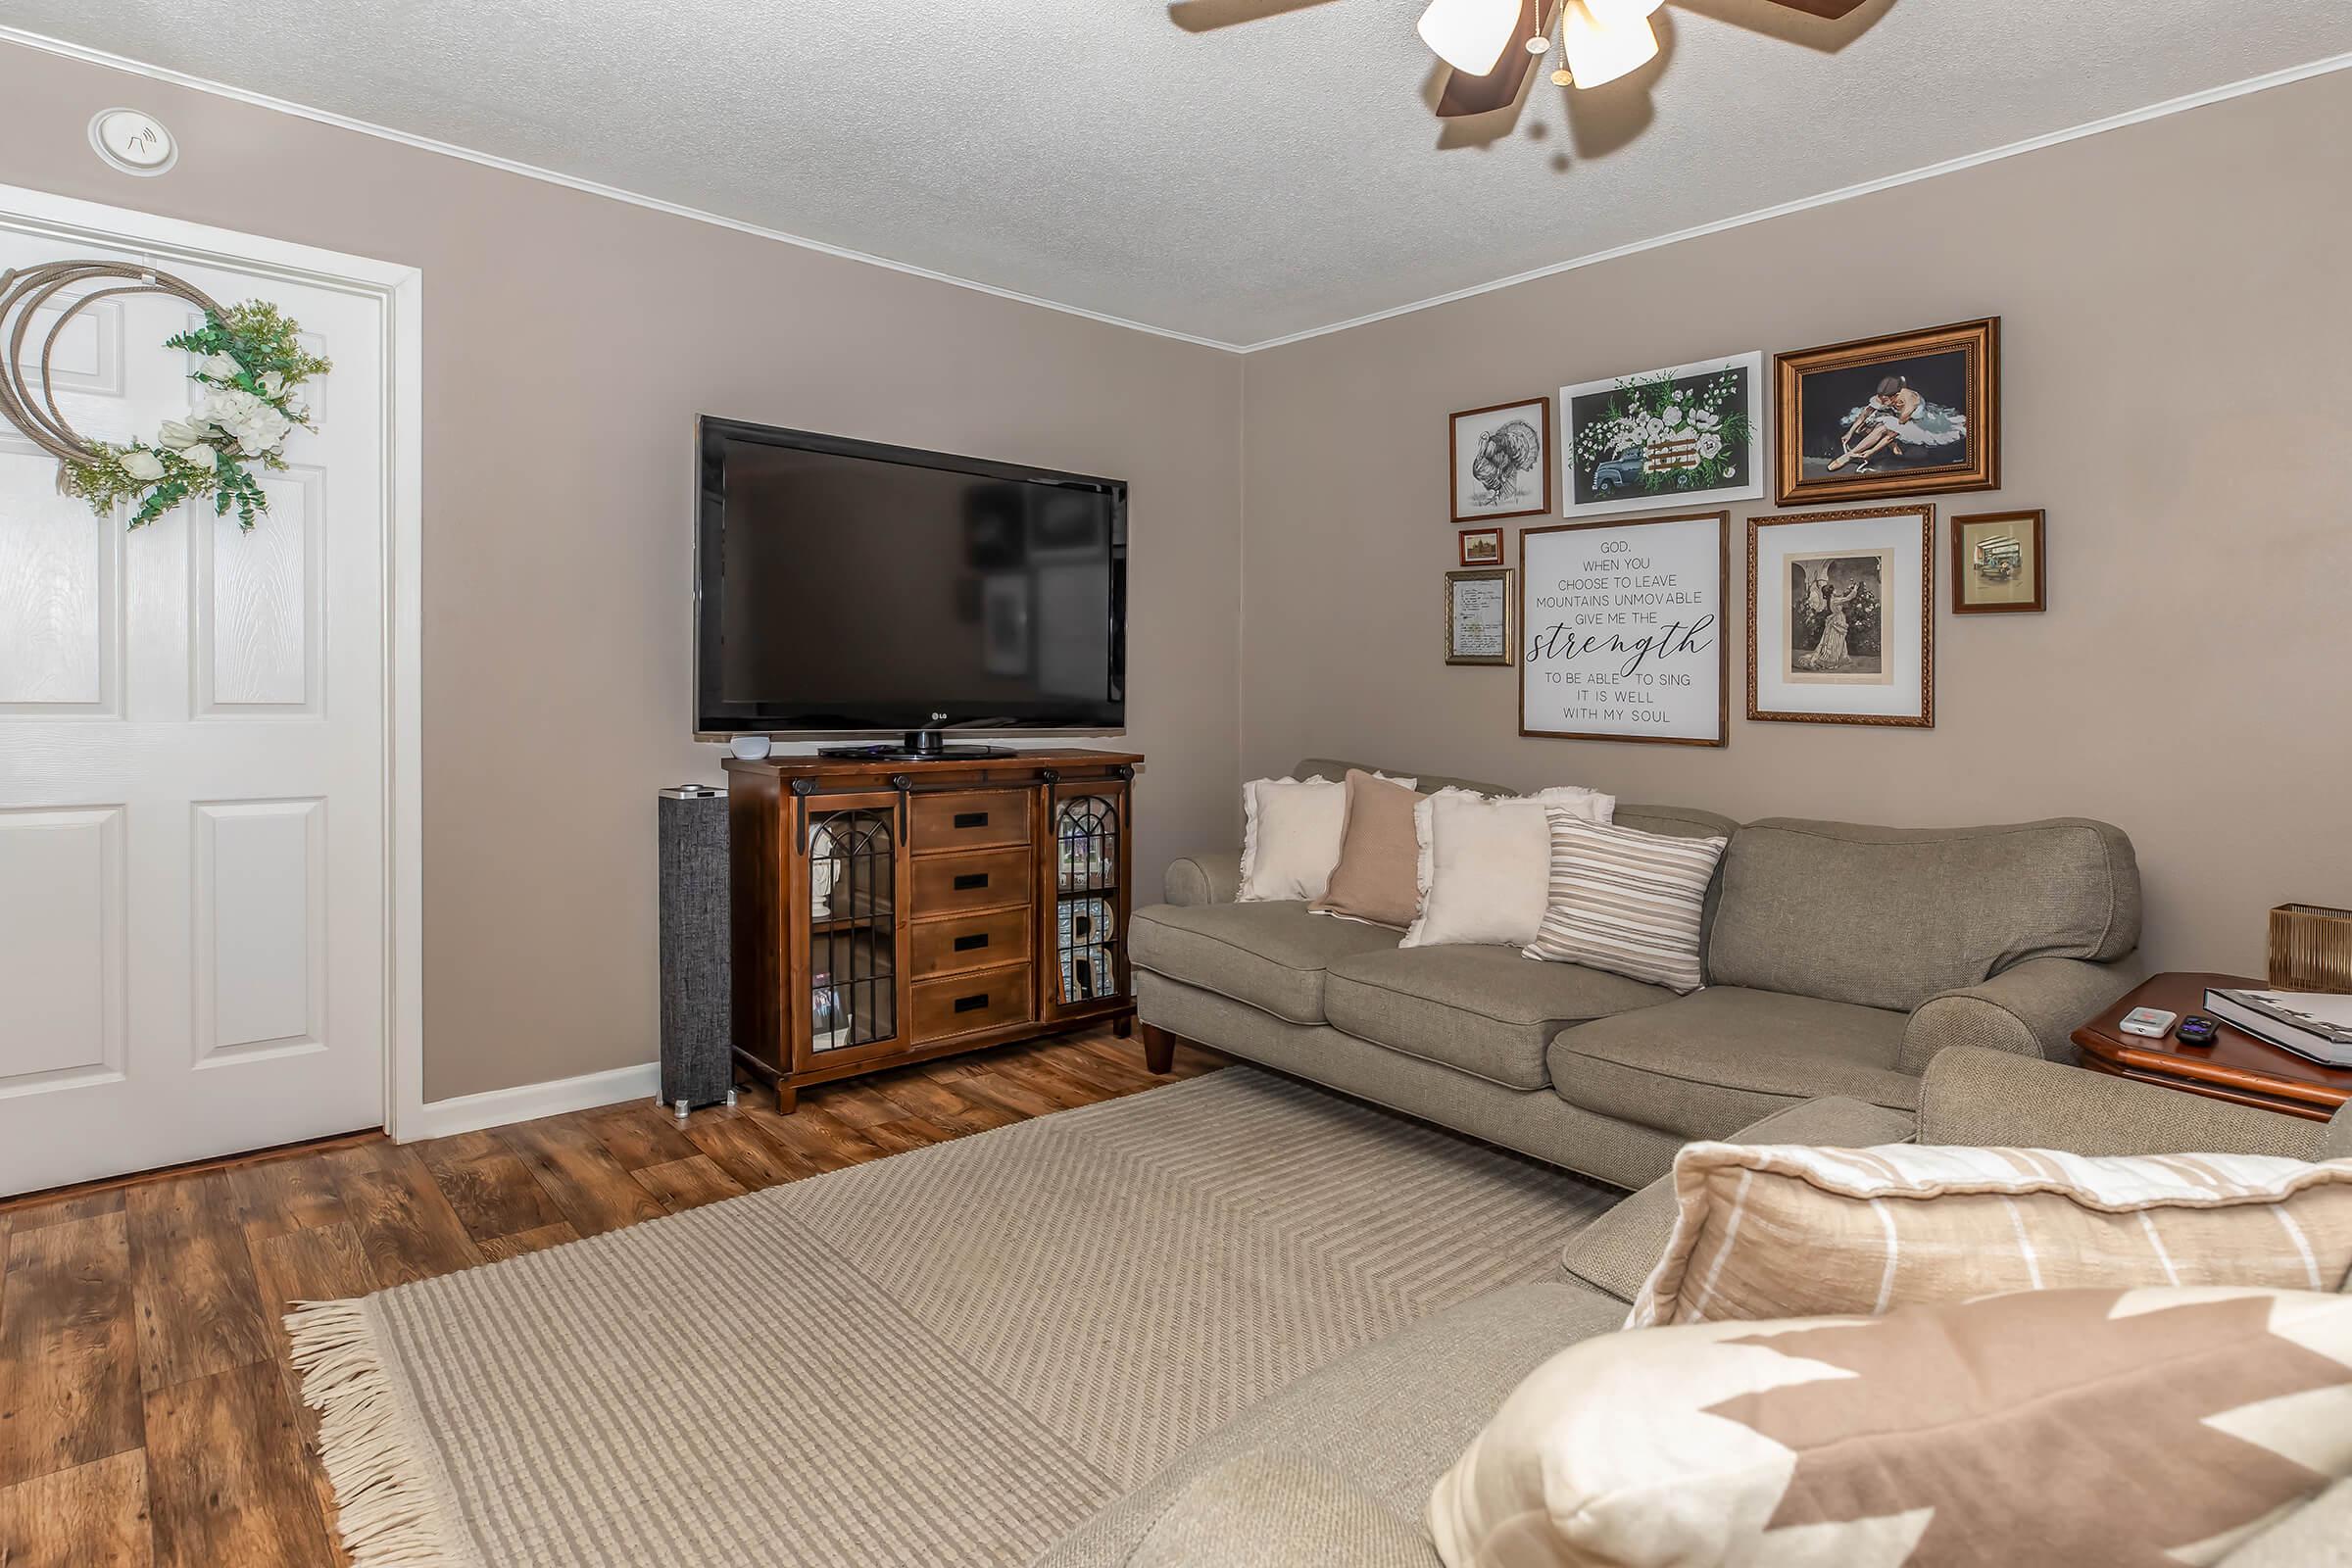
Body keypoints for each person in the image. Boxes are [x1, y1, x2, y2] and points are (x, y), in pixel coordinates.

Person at [1829, 374, 1966, 471]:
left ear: (1896, 395)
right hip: (1896, 418)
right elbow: (1865, 413)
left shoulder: (1910, 400)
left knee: (1883, 426)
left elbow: (1894, 432)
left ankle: (1847, 456)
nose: (1882, 401)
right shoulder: (1883, 397)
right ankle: (1890, 447)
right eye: (1881, 398)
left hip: (1920, 423)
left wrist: (1871, 451)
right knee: (1865, 426)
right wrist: (1849, 432)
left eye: (1886, 399)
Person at [1809, 580, 1859, 667]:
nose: (1836, 590)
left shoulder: (1832, 599)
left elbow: (1843, 597)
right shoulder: (1835, 600)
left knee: (1838, 639)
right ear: (1831, 592)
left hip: (1836, 619)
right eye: (1834, 589)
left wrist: (1849, 587)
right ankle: (1831, 659)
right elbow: (1847, 598)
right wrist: (1855, 589)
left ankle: (1840, 657)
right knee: (1836, 640)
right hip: (1838, 619)